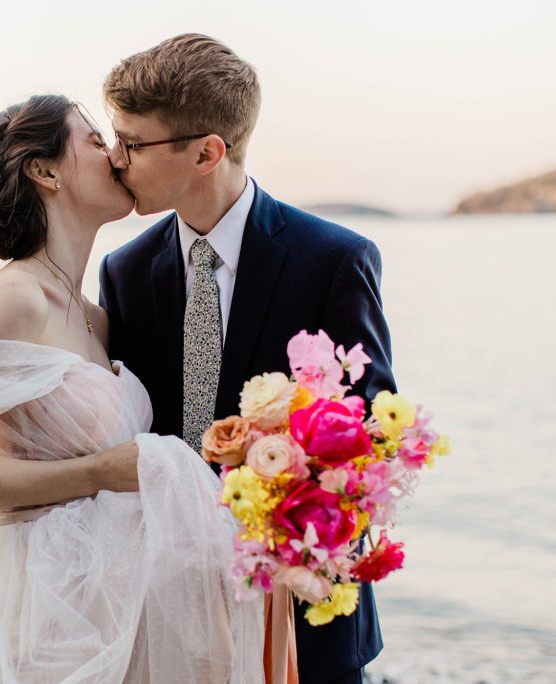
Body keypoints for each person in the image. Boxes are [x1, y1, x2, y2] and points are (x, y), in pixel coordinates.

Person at [0, 94, 264, 683]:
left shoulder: (97, 317)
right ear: (44, 173)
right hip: (43, 609)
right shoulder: (17, 297)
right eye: (96, 141)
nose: (118, 155)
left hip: (112, 606)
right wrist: (95, 472)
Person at [99, 34, 397, 684]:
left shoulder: (333, 260)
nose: (115, 160)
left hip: (302, 605)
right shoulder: (125, 272)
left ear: (207, 152)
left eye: (132, 142)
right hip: (170, 606)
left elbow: (370, 433)